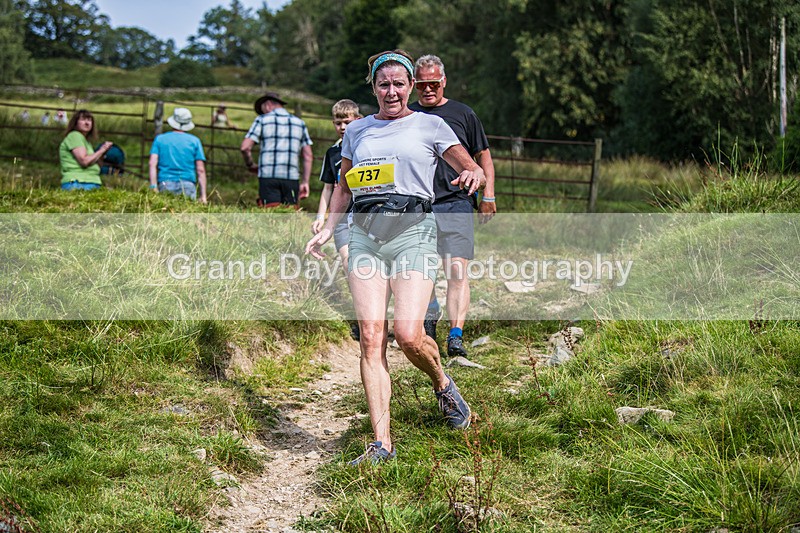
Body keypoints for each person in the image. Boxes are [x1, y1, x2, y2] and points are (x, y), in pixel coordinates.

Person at [305, 50, 486, 465]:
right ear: (373, 88)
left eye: (399, 83)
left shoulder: (430, 124)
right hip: (365, 234)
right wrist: (329, 227)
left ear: (410, 87)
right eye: (383, 84)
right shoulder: (358, 132)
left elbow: (466, 161)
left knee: (407, 335)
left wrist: (473, 173)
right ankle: (382, 444)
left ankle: (442, 384)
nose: (392, 91)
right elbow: (344, 188)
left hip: (413, 231)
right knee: (371, 338)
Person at [409, 55, 497, 360]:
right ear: (413, 85)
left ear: (443, 81)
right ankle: (430, 316)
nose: (428, 89)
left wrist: (489, 195)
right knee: (424, 270)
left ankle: (456, 336)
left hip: (457, 202)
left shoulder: (463, 114)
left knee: (457, 269)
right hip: (419, 205)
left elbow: (483, 157)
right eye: (422, 84)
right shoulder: (407, 115)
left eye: (434, 83)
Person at [312, 99, 363, 340]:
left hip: (366, 216)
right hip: (341, 218)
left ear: (358, 120)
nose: (343, 127)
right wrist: (321, 217)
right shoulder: (332, 153)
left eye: (348, 121)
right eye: (338, 122)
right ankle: (359, 318)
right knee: (347, 263)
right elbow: (327, 189)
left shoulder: (368, 147)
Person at [240, 92, 313, 208]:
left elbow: (245, 147)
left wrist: (250, 164)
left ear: (268, 104)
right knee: (290, 216)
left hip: (268, 176)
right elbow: (308, 156)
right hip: (292, 178)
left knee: (270, 216)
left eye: (262, 109)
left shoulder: (262, 120)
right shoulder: (300, 123)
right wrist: (305, 182)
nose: (263, 113)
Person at [148, 108, 207, 203]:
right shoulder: (195, 141)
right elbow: (201, 170)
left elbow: (152, 163)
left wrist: (153, 186)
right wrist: (203, 196)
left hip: (165, 183)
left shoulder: (160, 139)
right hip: (188, 185)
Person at [58, 109, 113, 191]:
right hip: (79, 183)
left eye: (89, 120)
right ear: (75, 123)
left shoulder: (86, 142)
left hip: (89, 182)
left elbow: (97, 165)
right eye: (83, 119)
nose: (87, 123)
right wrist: (101, 150)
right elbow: (84, 161)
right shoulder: (74, 136)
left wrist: (102, 153)